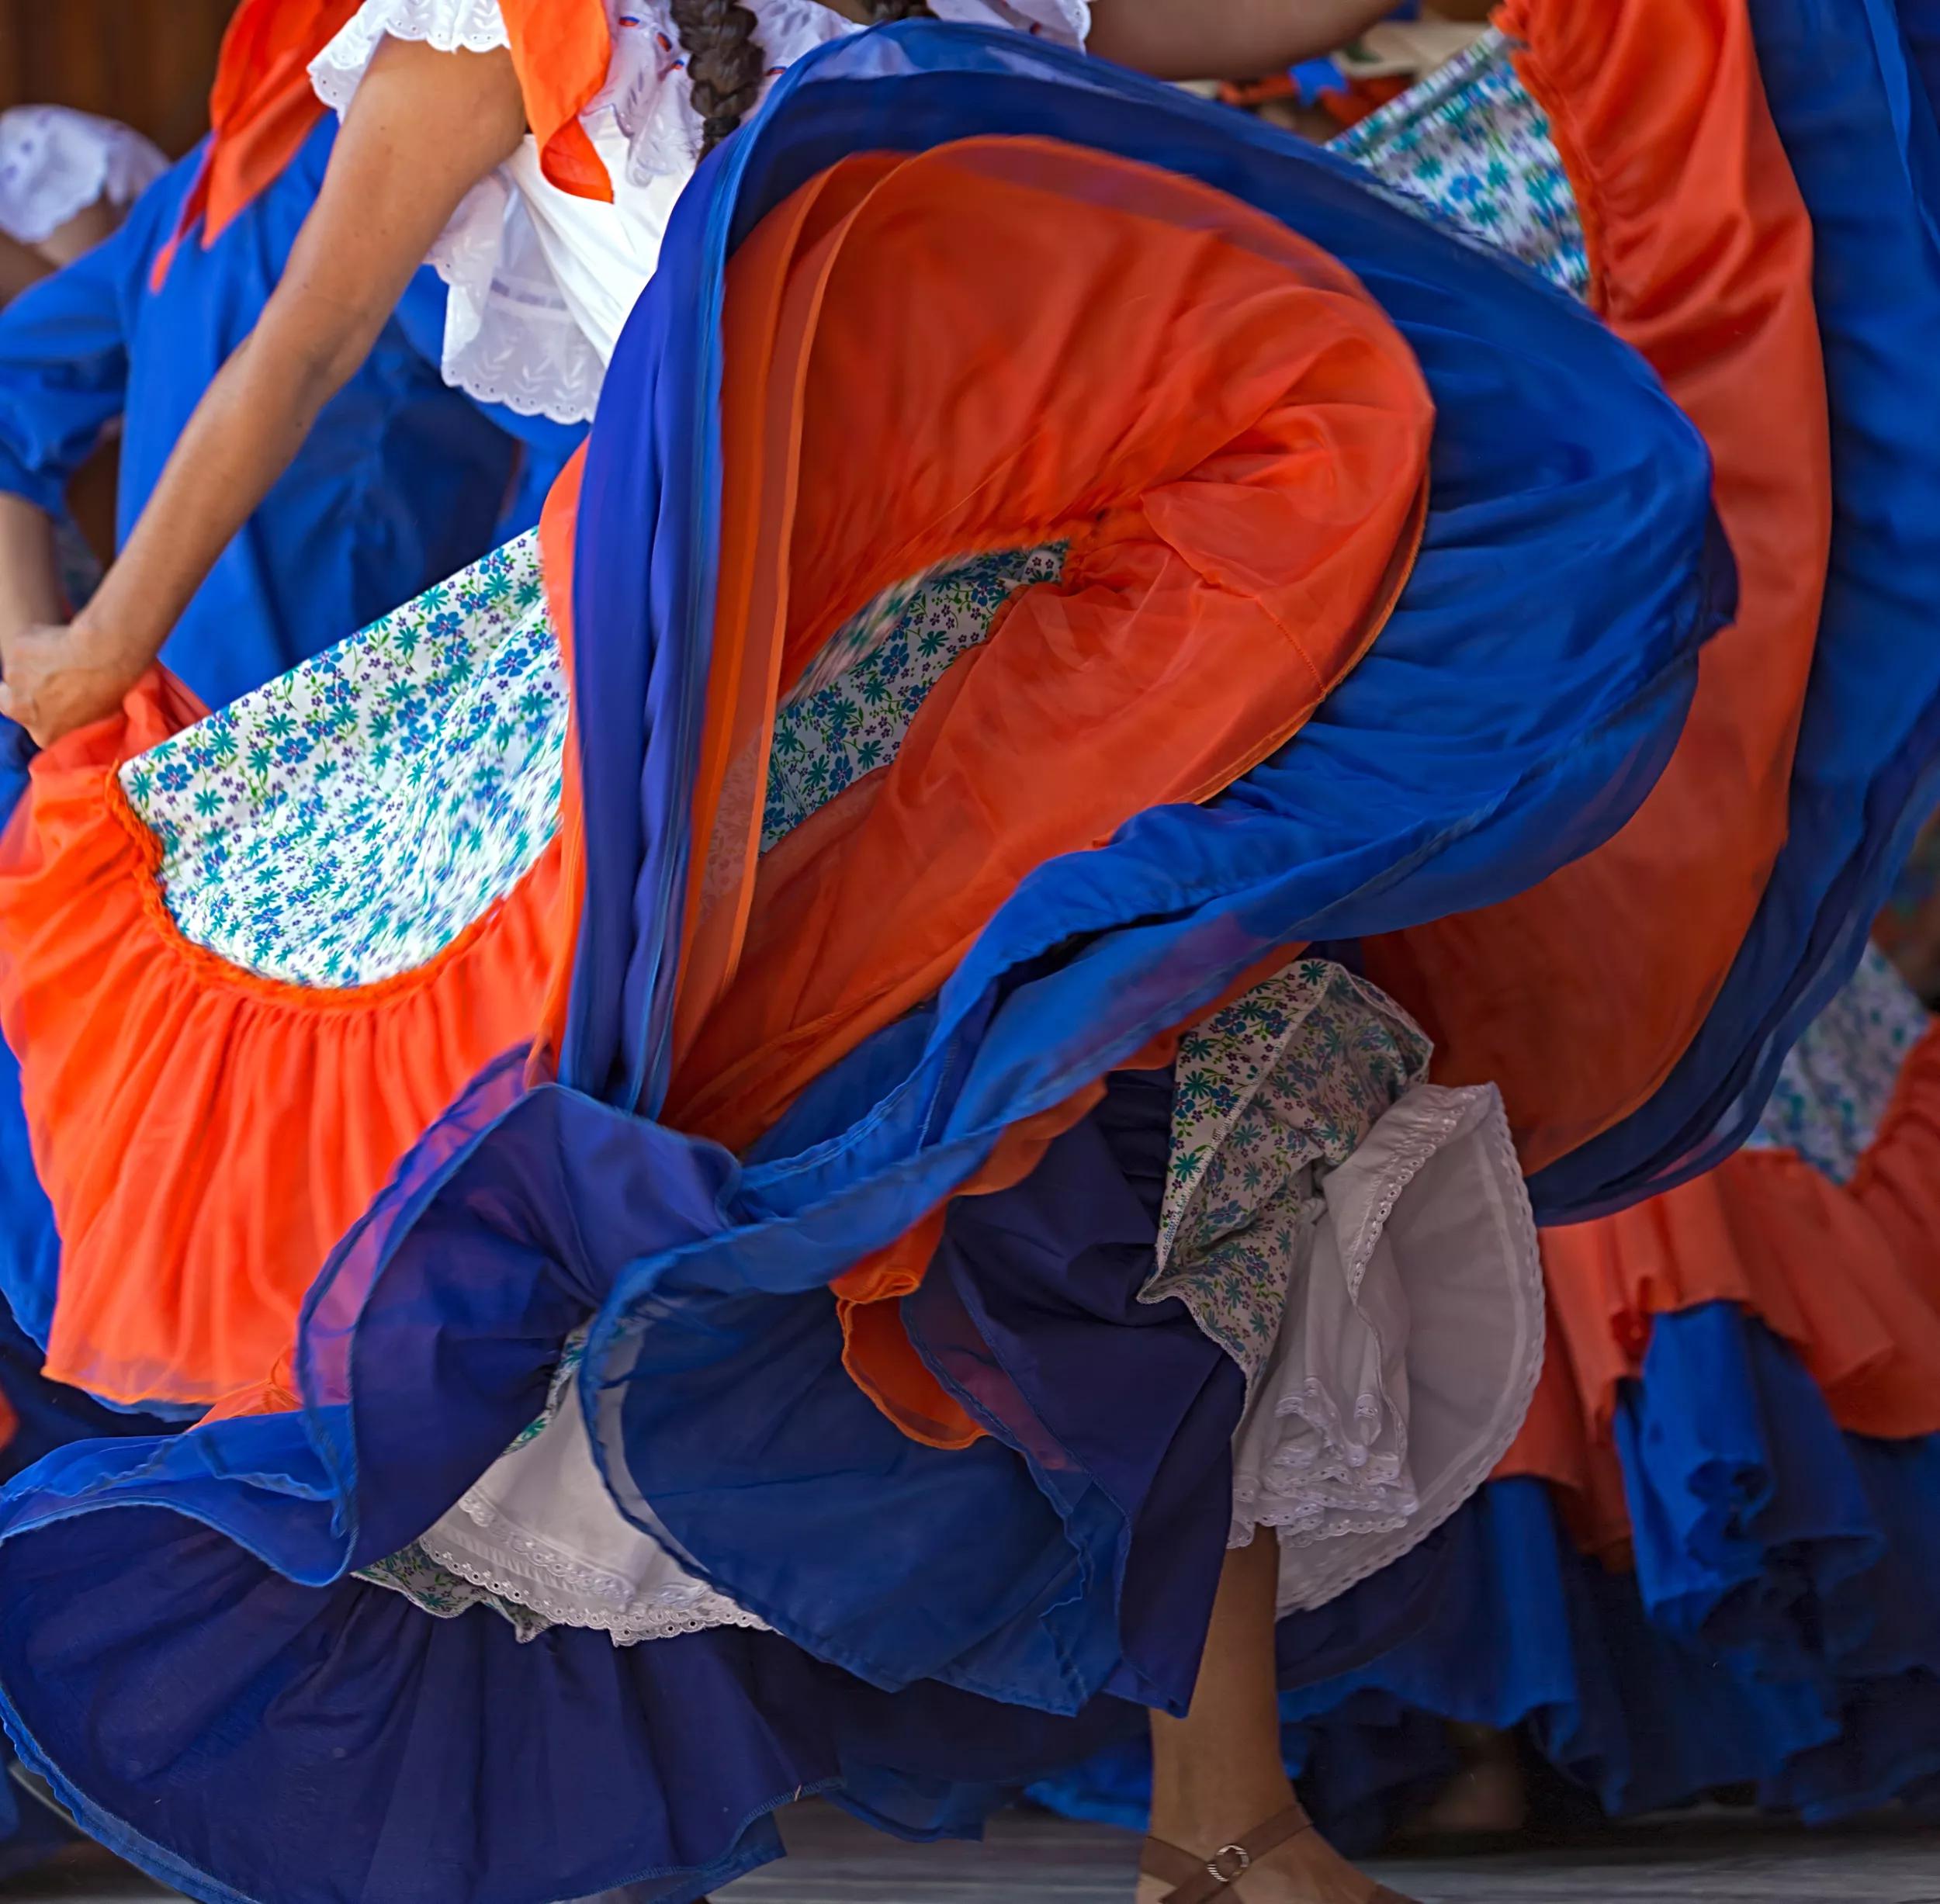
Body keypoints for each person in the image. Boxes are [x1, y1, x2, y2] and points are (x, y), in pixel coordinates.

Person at [0, 4, 1929, 1904]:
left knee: (1201, 1147)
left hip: (1051, 666)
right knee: (780, 1244)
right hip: (743, 717)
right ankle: (1153, 1805)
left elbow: (1226, 41)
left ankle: (1225, 1819)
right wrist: (104, 643)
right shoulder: (491, 24)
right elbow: (301, 343)